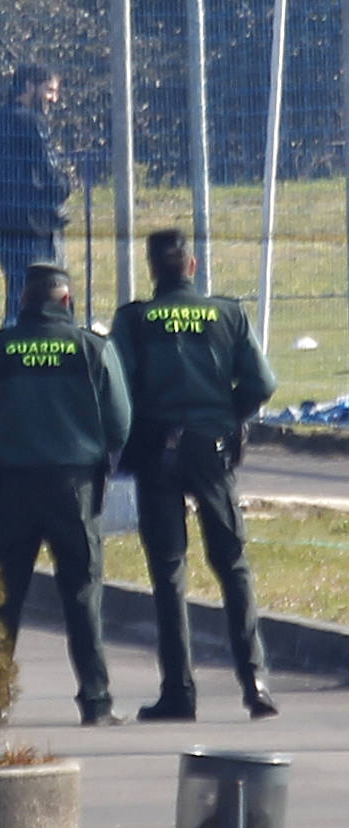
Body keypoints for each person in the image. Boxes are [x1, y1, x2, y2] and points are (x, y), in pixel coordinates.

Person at [110, 229, 279, 722]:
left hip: (155, 449)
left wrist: (123, 442)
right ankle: (255, 683)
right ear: (193, 264)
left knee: (169, 574)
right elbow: (263, 382)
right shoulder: (227, 313)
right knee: (232, 565)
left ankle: (179, 693)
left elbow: (115, 386)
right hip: (212, 448)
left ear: (152, 268)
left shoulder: (134, 319)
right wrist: (230, 416)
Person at [0, 263, 131, 725]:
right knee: (82, 593)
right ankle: (95, 700)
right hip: (73, 486)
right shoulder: (91, 348)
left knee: (3, 594)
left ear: (22, 302)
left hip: (9, 485)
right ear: (66, 301)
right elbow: (119, 421)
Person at [0, 64, 71, 326]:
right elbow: (52, 175)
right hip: (34, 225)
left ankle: (12, 341)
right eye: (49, 90)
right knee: (48, 292)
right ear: (28, 86)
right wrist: (62, 186)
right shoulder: (33, 122)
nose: (53, 99)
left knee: (17, 289)